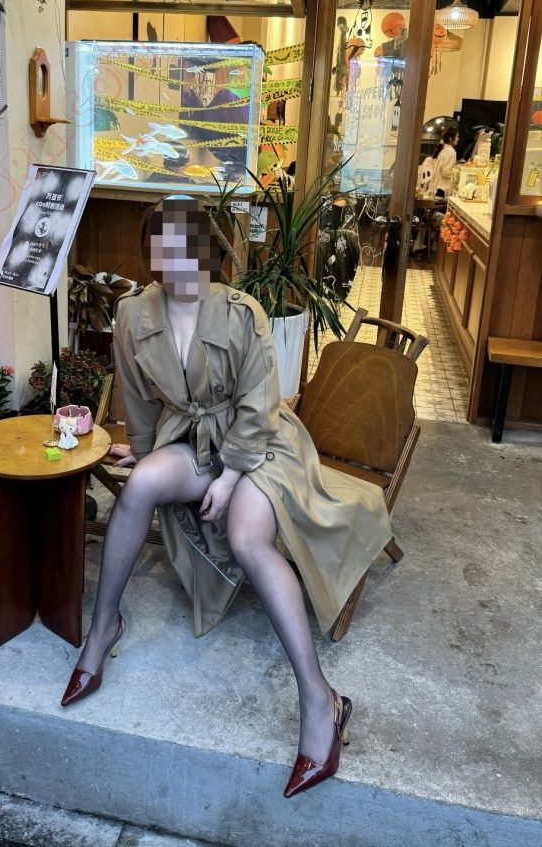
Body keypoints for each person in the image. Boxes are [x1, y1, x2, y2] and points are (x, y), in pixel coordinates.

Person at [60, 195, 393, 797]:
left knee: (246, 538)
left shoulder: (243, 313)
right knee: (140, 486)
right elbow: (139, 399)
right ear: (152, 254)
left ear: (208, 251)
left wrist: (230, 477)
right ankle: (102, 630)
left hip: (259, 445)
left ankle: (320, 701)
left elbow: (260, 407)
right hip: (191, 437)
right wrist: (144, 451)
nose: (179, 261)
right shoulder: (133, 313)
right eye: (165, 248)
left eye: (190, 247)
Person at [429, 127, 459, 197]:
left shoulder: (443, 149)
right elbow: (446, 172)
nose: (458, 139)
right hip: (443, 187)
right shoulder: (451, 151)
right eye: (457, 136)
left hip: (437, 186)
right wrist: (457, 174)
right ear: (450, 139)